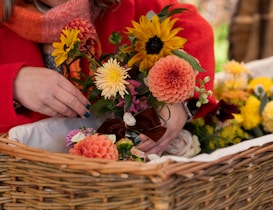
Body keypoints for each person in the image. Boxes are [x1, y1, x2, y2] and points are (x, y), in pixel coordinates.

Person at [0, 0, 216, 156]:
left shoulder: (122, 5)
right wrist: (14, 82)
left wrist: (179, 103)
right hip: (23, 186)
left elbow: (195, 29)